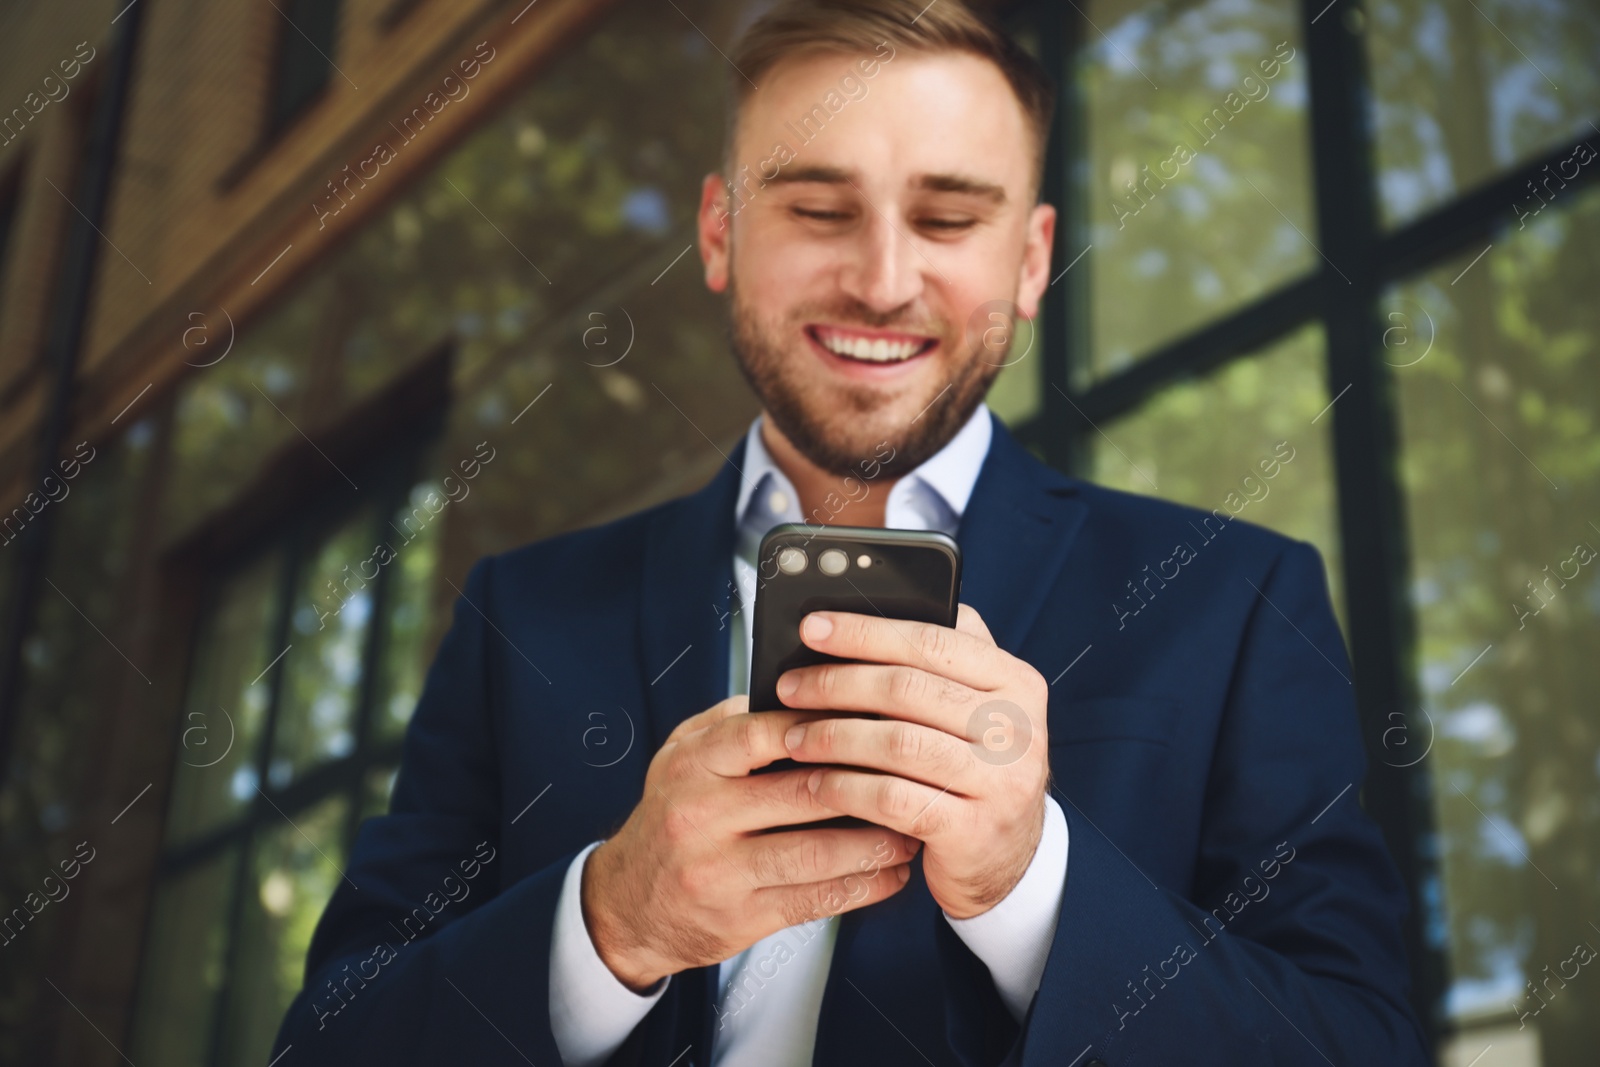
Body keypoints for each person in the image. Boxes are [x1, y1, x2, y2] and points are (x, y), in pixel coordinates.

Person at [274, 1, 1429, 1063]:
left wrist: (1035, 883)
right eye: (819, 209)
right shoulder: (520, 614)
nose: (881, 280)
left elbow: (1354, 1043)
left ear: (1029, 262)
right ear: (720, 234)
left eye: (946, 215)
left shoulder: (1233, 601)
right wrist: (610, 921)